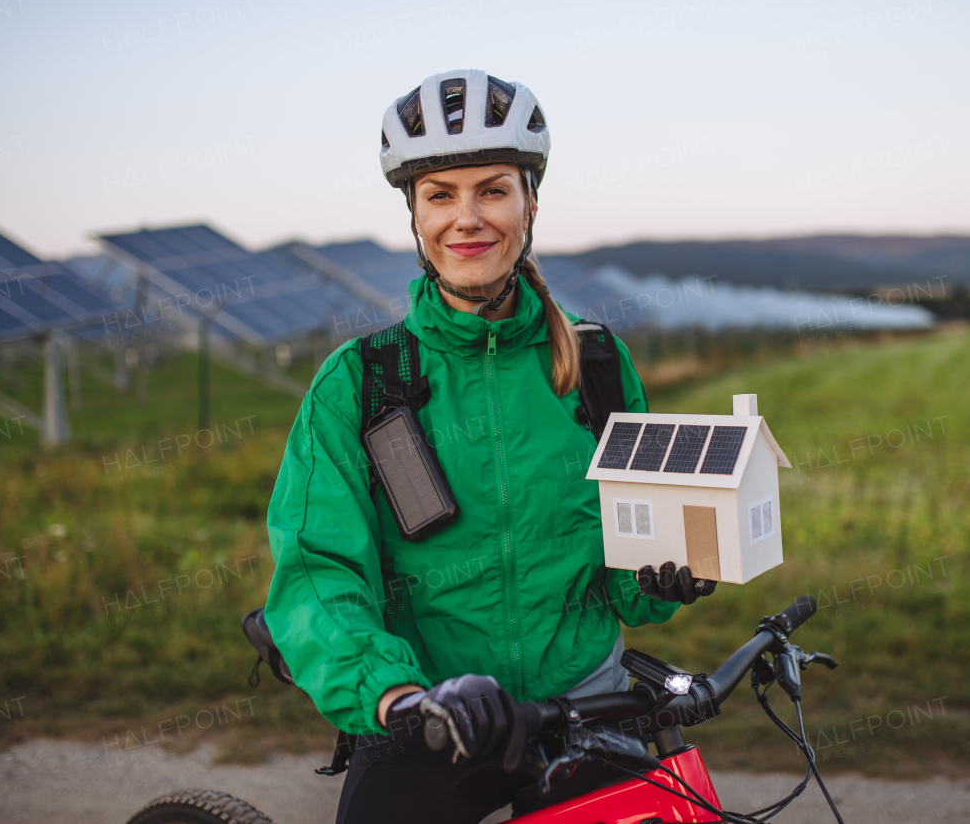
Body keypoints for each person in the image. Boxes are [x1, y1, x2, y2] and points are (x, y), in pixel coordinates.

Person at [264, 69, 715, 824]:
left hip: (588, 702)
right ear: (413, 213)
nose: (466, 218)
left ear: (530, 202)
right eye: (440, 194)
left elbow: (624, 567)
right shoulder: (360, 384)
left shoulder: (598, 367)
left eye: (492, 190)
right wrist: (399, 695)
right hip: (432, 713)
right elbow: (317, 574)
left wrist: (658, 579)